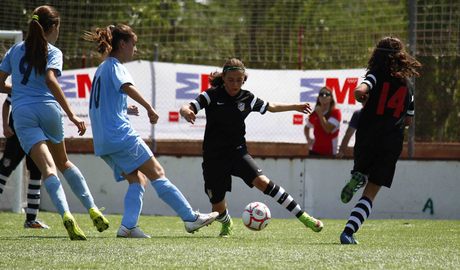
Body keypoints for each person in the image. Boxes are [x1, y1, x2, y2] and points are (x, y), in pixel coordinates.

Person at [84, 24, 218, 238]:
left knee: (137, 180)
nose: (134, 50)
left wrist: (125, 107)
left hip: (102, 141)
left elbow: (101, 104)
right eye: (133, 45)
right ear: (122, 44)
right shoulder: (115, 66)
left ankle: (128, 227)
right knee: (157, 172)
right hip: (120, 136)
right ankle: (191, 218)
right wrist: (149, 108)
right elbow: (127, 87)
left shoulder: (101, 68)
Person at [180, 58, 324, 237]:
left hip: (237, 152)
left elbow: (271, 107)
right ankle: (227, 223)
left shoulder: (247, 98)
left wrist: (295, 106)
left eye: (239, 80)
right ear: (223, 78)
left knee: (263, 182)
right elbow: (187, 106)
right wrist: (187, 112)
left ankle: (304, 218)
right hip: (213, 157)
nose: (235, 84)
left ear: (244, 80)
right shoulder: (212, 95)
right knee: (217, 207)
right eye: (231, 79)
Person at [0, 5, 109, 240]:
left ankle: (67, 216)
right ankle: (91, 208)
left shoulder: (15, 50)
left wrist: (16, 89)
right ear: (54, 27)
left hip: (22, 114)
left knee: (48, 170)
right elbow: (50, 79)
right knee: (64, 163)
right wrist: (71, 114)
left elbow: (0, 83)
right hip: (48, 110)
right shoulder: (53, 51)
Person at [339, 36, 421, 244]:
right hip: (391, 140)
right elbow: (409, 120)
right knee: (371, 191)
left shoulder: (375, 75)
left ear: (377, 54)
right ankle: (348, 232)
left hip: (368, 134)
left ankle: (358, 173)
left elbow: (360, 90)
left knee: (363, 168)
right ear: (401, 56)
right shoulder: (408, 84)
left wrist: (364, 98)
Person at [0, 95, 49, 229]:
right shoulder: (22, 82)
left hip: (35, 134)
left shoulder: (41, 86)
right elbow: (6, 104)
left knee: (36, 172)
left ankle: (31, 219)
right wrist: (5, 125)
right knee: (4, 169)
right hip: (17, 133)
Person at [304, 86, 342, 156]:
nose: (324, 96)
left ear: (331, 98)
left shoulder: (336, 112)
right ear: (318, 98)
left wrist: (320, 114)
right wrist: (308, 138)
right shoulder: (315, 113)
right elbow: (307, 127)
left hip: (330, 153)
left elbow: (328, 129)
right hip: (314, 151)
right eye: (321, 94)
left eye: (327, 94)